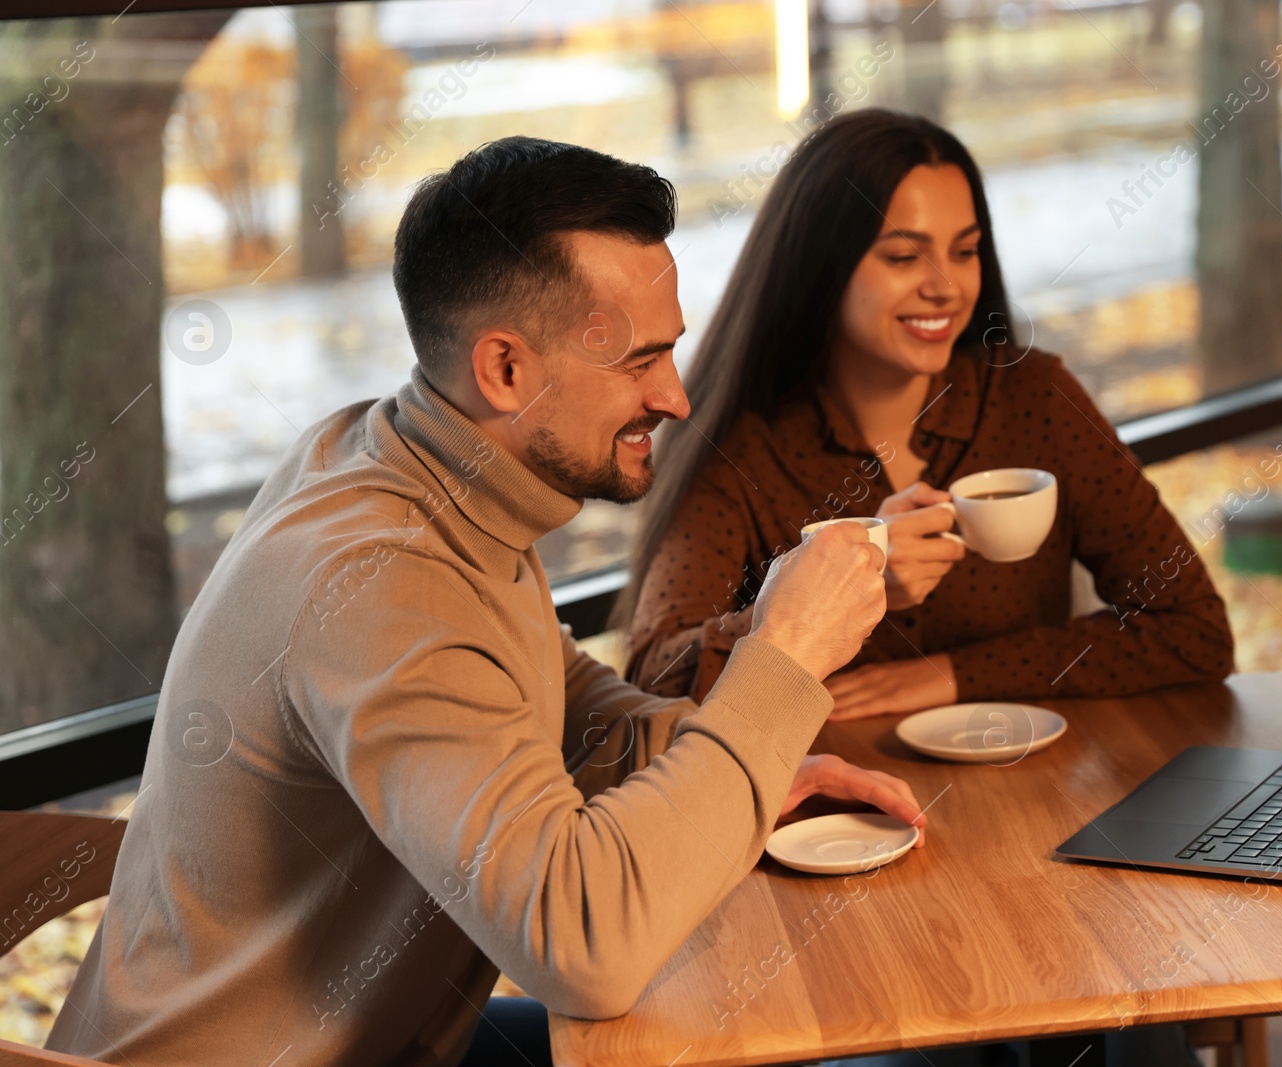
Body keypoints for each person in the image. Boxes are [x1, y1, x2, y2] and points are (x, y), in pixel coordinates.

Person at [45, 137, 929, 1067]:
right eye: (642, 360)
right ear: (505, 369)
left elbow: (550, 696)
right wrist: (781, 661)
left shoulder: (396, 457)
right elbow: (587, 949)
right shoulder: (386, 583)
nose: (674, 396)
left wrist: (732, 761)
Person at [623, 108, 1234, 720]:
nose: (946, 287)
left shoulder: (1034, 397)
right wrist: (829, 593)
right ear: (822, 264)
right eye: (903, 257)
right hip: (835, 806)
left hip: (1029, 785)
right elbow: (654, 682)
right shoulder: (743, 448)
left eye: (964, 251)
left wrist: (955, 675)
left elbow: (1194, 630)